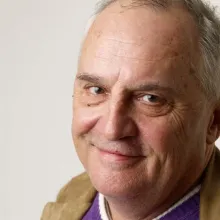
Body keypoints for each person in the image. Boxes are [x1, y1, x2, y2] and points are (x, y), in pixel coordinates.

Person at [41, 0, 220, 219]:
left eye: (150, 98)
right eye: (97, 90)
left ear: (214, 121)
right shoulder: (68, 203)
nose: (111, 129)